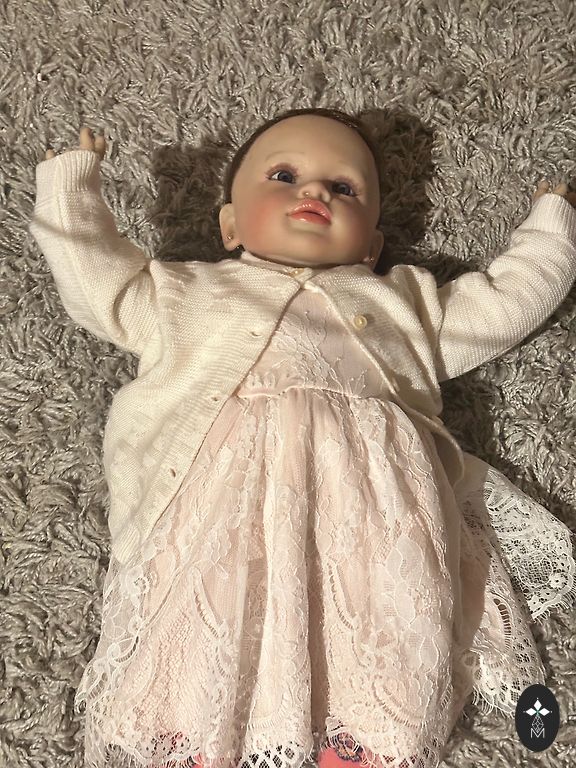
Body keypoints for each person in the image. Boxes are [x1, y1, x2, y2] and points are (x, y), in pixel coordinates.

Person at [30, 108, 576, 768]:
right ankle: (196, 738)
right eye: (284, 176)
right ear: (230, 226)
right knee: (205, 620)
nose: (315, 191)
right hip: (219, 508)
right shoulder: (184, 293)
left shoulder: (404, 304)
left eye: (345, 188)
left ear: (371, 247)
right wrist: (71, 189)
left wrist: (553, 229)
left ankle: (361, 743)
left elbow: (503, 305)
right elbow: (101, 283)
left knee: (382, 624)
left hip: (371, 519)